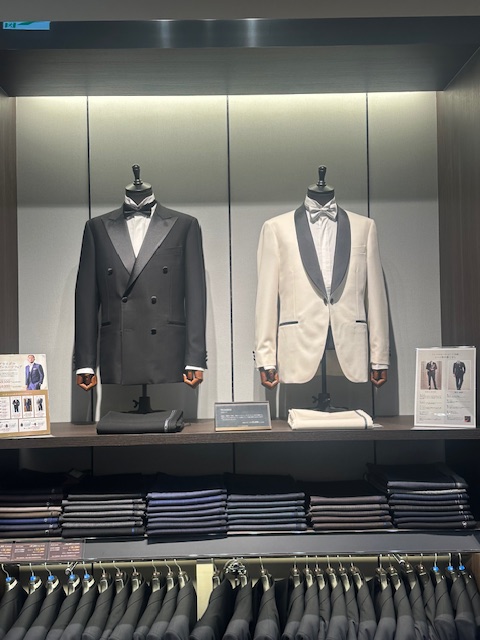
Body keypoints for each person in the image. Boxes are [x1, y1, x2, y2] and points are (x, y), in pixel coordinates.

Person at [255, 167, 389, 390]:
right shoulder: (275, 228)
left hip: (349, 345)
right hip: (298, 345)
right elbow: (265, 301)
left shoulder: (364, 227)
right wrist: (265, 358)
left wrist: (380, 357)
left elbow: (376, 297)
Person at [74, 166, 207, 392]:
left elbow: (196, 296)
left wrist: (195, 358)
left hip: (166, 349)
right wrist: (85, 363)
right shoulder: (96, 228)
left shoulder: (185, 225)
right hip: (118, 349)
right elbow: (86, 299)